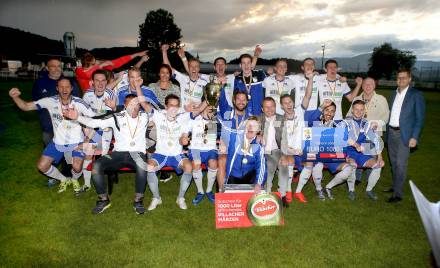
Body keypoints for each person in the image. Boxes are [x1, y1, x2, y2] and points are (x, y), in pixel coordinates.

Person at [63, 94, 150, 214]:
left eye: (137, 105)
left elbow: (165, 117)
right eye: (130, 105)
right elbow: (94, 122)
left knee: (142, 166)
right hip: (117, 154)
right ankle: (103, 199)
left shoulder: (146, 117)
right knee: (96, 165)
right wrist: (77, 117)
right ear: (125, 106)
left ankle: (138, 200)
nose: (134, 108)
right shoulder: (116, 117)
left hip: (138, 154)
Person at [9, 78, 95, 194]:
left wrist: (87, 139)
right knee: (42, 166)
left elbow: (94, 120)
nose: (64, 90)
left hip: (76, 142)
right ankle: (64, 179)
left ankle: (74, 179)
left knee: (77, 167)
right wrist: (15, 97)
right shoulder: (50, 101)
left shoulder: (79, 103)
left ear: (72, 88)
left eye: (67, 87)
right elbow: (26, 106)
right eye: (61, 87)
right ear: (57, 88)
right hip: (58, 142)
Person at [138, 93, 206, 210]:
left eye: (176, 105)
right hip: (160, 154)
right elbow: (143, 103)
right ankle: (156, 198)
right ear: (166, 106)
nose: (174, 108)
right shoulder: (158, 115)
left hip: (176, 155)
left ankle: (180, 197)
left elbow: (199, 109)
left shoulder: (183, 117)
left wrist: (212, 97)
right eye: (171, 105)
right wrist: (138, 87)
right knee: (149, 167)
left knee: (189, 167)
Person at [386, 68, 425, 203]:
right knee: (393, 163)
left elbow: (420, 119)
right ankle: (395, 185)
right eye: (399, 78)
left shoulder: (416, 94)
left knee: (401, 164)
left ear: (409, 79)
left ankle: (398, 194)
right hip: (391, 133)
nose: (401, 80)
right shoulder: (394, 93)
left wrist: (414, 137)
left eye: (404, 77)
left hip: (405, 135)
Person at [346, 77, 390, 185]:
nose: (368, 86)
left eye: (371, 84)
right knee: (358, 153)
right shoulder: (357, 99)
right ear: (362, 85)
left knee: (372, 155)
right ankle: (358, 177)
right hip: (358, 135)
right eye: (365, 84)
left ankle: (369, 178)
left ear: (375, 86)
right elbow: (348, 115)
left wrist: (377, 124)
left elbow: (386, 116)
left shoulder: (381, 99)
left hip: (373, 134)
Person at [80, 69, 117, 193]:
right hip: (92, 127)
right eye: (97, 80)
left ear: (106, 82)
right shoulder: (87, 94)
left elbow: (110, 116)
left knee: (102, 154)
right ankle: (86, 183)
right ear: (92, 82)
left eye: (103, 81)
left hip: (105, 127)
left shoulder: (111, 94)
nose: (100, 84)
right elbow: (82, 113)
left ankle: (102, 179)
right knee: (88, 151)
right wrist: (86, 129)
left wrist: (113, 108)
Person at [32, 58, 81, 146]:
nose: (57, 69)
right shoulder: (39, 83)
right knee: (51, 153)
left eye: (59, 66)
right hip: (48, 126)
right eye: (53, 66)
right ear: (47, 68)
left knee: (69, 153)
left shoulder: (71, 83)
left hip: (68, 126)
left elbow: (78, 103)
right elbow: (36, 102)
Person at [344, 100, 385, 200]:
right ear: (352, 110)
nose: (358, 112)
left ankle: (369, 190)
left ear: (364, 112)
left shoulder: (366, 124)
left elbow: (375, 138)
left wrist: (380, 156)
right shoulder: (345, 122)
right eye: (356, 109)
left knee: (378, 165)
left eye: (361, 110)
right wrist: (355, 144)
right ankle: (351, 190)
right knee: (352, 165)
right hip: (348, 151)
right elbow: (342, 137)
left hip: (362, 151)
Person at [181, 105, 218, 205]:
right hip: (196, 148)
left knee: (214, 163)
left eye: (213, 105)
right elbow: (184, 134)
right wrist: (184, 138)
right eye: (208, 105)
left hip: (211, 148)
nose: (211, 107)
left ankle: (209, 190)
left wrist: (210, 118)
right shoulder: (193, 119)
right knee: (196, 163)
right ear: (203, 106)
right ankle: (200, 191)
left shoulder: (216, 119)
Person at [217, 91, 250, 191]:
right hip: (226, 149)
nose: (241, 102)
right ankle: (221, 191)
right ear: (234, 101)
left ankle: (248, 190)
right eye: (238, 99)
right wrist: (221, 87)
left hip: (242, 150)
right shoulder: (227, 112)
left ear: (247, 102)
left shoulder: (250, 116)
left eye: (243, 100)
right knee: (222, 160)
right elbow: (222, 100)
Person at [225, 116, 267, 193]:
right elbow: (225, 126)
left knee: (252, 197)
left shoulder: (259, 146)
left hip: (249, 176)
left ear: (258, 130)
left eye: (254, 126)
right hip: (233, 175)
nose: (251, 128)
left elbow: (261, 165)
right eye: (248, 125)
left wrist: (258, 183)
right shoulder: (234, 138)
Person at [161, 44, 208, 112]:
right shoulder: (182, 78)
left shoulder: (205, 81)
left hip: (196, 114)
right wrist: (164, 52)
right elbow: (168, 68)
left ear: (199, 68)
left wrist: (200, 109)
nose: (193, 68)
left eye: (196, 66)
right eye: (191, 66)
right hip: (182, 113)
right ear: (188, 68)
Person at [75, 50, 147, 92]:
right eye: (94, 64)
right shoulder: (81, 72)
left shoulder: (114, 77)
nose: (97, 64)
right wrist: (101, 65)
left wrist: (138, 56)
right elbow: (87, 74)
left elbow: (121, 63)